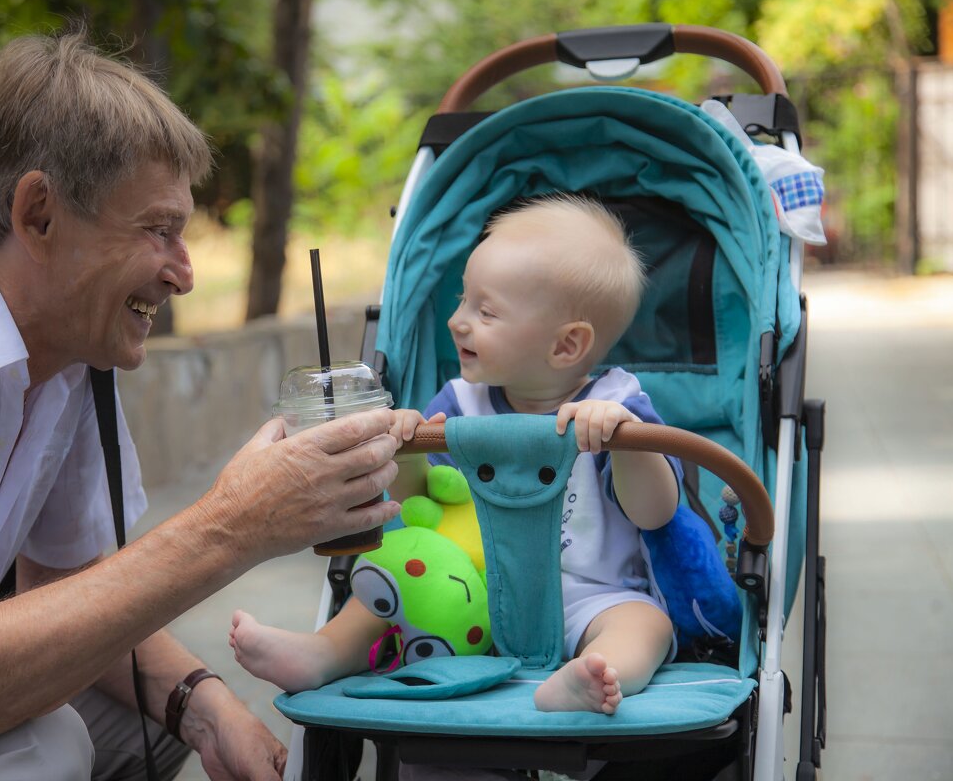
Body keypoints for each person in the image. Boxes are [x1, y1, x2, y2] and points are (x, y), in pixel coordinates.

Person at [0, 29, 404, 781]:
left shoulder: (59, 361)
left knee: (150, 720)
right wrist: (237, 523)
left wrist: (204, 706)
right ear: (38, 214)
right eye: (159, 231)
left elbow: (69, 594)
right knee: (50, 743)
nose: (185, 275)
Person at [230, 194, 681, 716]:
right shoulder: (460, 405)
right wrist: (410, 448)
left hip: (589, 598)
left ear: (565, 346)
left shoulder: (616, 404)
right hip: (469, 591)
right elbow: (413, 508)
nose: (456, 321)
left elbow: (657, 513)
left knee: (646, 624)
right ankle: (324, 652)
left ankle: (593, 675)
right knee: (398, 570)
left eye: (484, 311)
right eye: (463, 300)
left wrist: (626, 445)